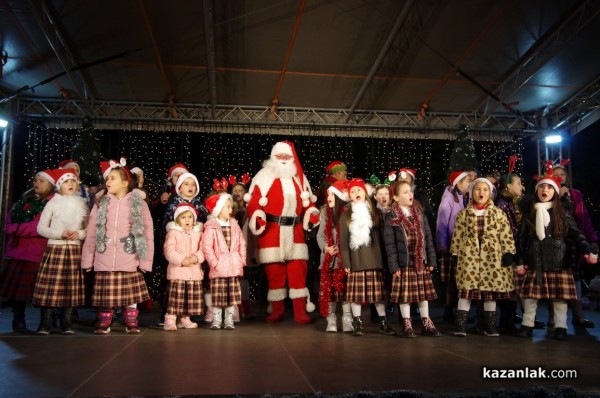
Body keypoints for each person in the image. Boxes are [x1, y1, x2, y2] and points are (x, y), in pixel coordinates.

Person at [516, 172, 597, 340]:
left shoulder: (562, 212)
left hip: (558, 261)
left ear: (555, 191)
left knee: (560, 299)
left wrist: (588, 250)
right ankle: (527, 325)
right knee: (531, 298)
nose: (545, 190)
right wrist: (520, 260)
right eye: (542, 187)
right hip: (536, 261)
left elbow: (576, 234)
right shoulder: (530, 212)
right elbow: (521, 239)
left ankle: (561, 327)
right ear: (537, 190)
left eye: (549, 187)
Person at [245, 141, 319, 323]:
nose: (284, 160)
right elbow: (253, 202)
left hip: (295, 231)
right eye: (280, 156)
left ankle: (300, 312)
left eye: (287, 156)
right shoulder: (263, 176)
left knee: (298, 271)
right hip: (272, 231)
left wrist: (312, 213)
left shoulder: (299, 178)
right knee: (275, 273)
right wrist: (257, 215)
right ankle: (277, 310)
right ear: (273, 157)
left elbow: (308, 202)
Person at [81, 160, 154, 334]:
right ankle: (104, 322)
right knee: (106, 295)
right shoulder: (102, 202)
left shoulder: (138, 203)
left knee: (130, 294)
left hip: (129, 256)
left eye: (112, 178)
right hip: (105, 256)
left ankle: (131, 321)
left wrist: (145, 262)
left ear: (125, 182)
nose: (108, 181)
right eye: (107, 178)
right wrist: (87, 260)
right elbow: (92, 231)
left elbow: (147, 233)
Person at [449, 178, 516, 337]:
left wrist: (508, 252)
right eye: (478, 189)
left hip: (491, 258)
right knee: (466, 292)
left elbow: (506, 235)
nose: (481, 192)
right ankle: (460, 325)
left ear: (491, 193)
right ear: (472, 192)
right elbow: (457, 235)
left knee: (489, 293)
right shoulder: (464, 214)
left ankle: (490, 326)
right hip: (469, 257)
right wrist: (455, 253)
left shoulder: (498, 213)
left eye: (485, 190)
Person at [33, 168, 88, 334]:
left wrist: (78, 233)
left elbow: (88, 230)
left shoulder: (82, 204)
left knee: (71, 287)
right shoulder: (53, 203)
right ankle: (45, 323)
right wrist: (60, 233)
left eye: (73, 181)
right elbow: (41, 228)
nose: (70, 184)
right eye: (66, 181)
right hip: (55, 249)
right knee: (50, 286)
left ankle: (67, 322)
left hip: (74, 250)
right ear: (59, 185)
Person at [339, 178, 396, 337]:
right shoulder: (346, 216)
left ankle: (384, 323)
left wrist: (385, 260)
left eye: (359, 190)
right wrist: (346, 262)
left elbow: (384, 238)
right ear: (349, 196)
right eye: (352, 191)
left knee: (378, 296)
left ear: (365, 192)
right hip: (356, 261)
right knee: (356, 296)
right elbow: (343, 241)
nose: (356, 193)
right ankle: (358, 323)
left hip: (375, 260)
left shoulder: (376, 213)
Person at [0, 169, 55, 332]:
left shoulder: (51, 203)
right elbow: (8, 222)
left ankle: (46, 322)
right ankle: (18, 319)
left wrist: (17, 229)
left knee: (42, 291)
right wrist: (14, 228)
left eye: (41, 181)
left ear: (51, 184)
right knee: (17, 292)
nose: (36, 183)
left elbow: (39, 227)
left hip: (36, 253)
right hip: (17, 251)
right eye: (35, 180)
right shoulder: (24, 200)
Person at [384, 180, 441, 337]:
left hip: (420, 261)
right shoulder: (392, 216)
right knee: (406, 296)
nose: (410, 194)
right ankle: (407, 322)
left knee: (423, 295)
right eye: (405, 192)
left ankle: (426, 322)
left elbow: (428, 238)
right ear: (395, 198)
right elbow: (390, 244)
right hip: (404, 263)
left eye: (410, 191)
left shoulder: (419, 214)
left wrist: (431, 260)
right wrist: (394, 266)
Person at [552, 164, 599, 328]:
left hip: (574, 242)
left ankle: (578, 315)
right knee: (556, 280)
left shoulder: (576, 194)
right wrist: (558, 196)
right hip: (556, 243)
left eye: (562, 174)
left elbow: (584, 218)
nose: (560, 177)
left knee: (576, 277)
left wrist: (592, 239)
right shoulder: (548, 194)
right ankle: (555, 318)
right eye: (556, 174)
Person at [202, 193, 247, 330]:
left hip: (233, 266)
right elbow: (207, 247)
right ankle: (216, 319)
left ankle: (229, 319)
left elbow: (242, 244)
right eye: (227, 207)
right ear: (218, 209)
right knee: (218, 296)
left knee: (231, 297)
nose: (231, 210)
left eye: (231, 207)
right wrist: (215, 263)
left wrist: (241, 260)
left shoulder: (235, 225)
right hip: (219, 268)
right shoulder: (211, 227)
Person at [436, 171, 473, 323]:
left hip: (462, 247)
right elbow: (442, 223)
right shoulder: (448, 199)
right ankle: (449, 310)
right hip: (451, 247)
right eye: (467, 181)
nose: (470, 184)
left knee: (459, 280)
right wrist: (443, 245)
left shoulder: (464, 199)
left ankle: (459, 311)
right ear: (458, 183)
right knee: (452, 280)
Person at [317, 179, 352, 333]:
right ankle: (330, 319)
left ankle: (347, 319)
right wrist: (326, 248)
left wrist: (342, 248)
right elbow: (320, 235)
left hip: (343, 259)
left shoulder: (349, 213)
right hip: (329, 259)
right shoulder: (325, 212)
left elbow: (351, 236)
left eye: (332, 194)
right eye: (328, 194)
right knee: (329, 292)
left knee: (344, 291)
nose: (328, 197)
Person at [163, 203, 205, 331]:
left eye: (190, 217)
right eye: (183, 217)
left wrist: (196, 258)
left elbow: (203, 249)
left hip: (193, 271)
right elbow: (169, 251)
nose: (187, 220)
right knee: (176, 298)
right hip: (178, 271)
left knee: (188, 298)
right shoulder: (173, 233)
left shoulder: (198, 233)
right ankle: (170, 320)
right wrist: (181, 260)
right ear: (177, 219)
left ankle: (185, 319)